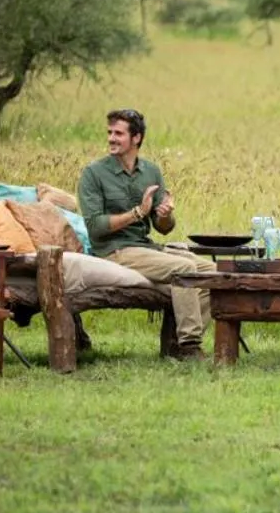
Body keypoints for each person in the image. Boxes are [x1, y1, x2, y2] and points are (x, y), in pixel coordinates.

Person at [77, 108, 217, 361]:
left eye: (118, 133)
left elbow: (164, 227)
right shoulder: (93, 173)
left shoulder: (151, 172)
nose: (111, 138)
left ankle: (177, 343)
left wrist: (164, 213)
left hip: (146, 247)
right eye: (110, 132)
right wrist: (137, 213)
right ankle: (190, 346)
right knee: (184, 268)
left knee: (213, 273)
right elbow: (95, 226)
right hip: (114, 250)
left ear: (137, 138)